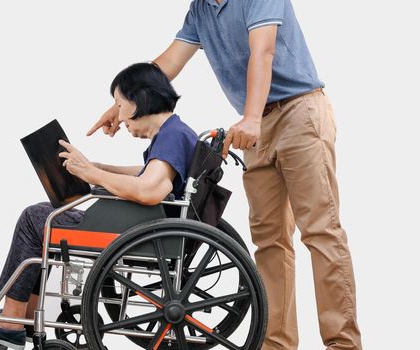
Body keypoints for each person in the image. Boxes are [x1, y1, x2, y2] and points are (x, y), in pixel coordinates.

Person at [88, 1, 362, 349]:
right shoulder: (201, 10)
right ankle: (276, 344)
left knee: (321, 232)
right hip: (255, 127)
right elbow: (163, 67)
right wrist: (121, 107)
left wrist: (250, 118)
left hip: (298, 112)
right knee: (270, 242)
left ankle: (343, 344)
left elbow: (261, 52)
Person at [0, 62, 198, 350]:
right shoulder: (176, 132)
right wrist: (94, 167)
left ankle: (12, 321)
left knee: (35, 218)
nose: (119, 118)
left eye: (120, 105)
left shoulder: (172, 134)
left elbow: (150, 190)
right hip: (143, 227)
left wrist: (91, 174)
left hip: (135, 231)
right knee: (42, 216)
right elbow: (147, 173)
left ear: (139, 100)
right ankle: (21, 314)